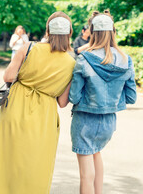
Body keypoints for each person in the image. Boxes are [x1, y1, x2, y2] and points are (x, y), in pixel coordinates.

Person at [0, 12, 75, 194]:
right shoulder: (71, 62)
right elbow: (63, 102)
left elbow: (8, 76)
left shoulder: (29, 47)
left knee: (7, 159)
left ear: (48, 30)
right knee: (36, 163)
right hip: (44, 117)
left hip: (15, 108)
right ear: (69, 33)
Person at [59, 10, 137, 194]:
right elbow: (131, 97)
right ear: (112, 32)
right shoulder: (126, 60)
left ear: (92, 33)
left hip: (85, 121)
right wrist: (110, 101)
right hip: (108, 122)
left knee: (85, 174)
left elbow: (74, 97)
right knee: (96, 153)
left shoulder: (84, 59)